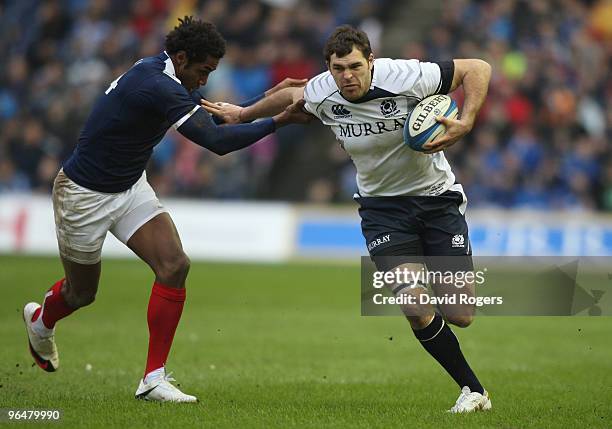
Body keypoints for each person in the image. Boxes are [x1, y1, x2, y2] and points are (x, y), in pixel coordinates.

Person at [202, 25, 492, 413]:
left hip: (437, 200)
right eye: (339, 68)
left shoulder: (405, 76)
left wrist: (468, 119)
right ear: (329, 67)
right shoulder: (324, 89)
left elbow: (478, 68)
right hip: (382, 210)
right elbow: (292, 95)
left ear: (371, 61)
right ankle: (473, 391)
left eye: (355, 66)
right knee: (415, 305)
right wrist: (243, 112)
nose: (347, 76)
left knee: (461, 314)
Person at [22, 16, 310, 403]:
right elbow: (216, 141)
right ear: (181, 57)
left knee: (175, 265)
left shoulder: (165, 74)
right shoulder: (158, 85)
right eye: (203, 70)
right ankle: (42, 321)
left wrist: (273, 94)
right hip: (83, 195)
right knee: (81, 294)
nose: (205, 80)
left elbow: (223, 115)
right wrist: (279, 119)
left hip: (128, 186)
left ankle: (152, 378)